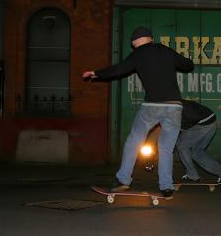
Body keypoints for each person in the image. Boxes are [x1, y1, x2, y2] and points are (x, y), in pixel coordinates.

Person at [82, 26, 194, 199]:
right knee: (166, 148)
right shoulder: (165, 50)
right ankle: (166, 187)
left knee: (134, 140)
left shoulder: (138, 54)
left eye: (133, 45)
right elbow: (187, 65)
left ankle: (123, 179)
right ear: (150, 38)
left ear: (136, 42)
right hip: (175, 106)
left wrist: (97, 73)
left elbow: (119, 69)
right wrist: (185, 60)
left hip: (153, 105)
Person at [176, 99, 221, 183]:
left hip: (203, 125)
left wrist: (182, 128)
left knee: (182, 146)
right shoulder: (177, 103)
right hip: (211, 123)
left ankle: (192, 175)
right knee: (197, 152)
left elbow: (193, 117)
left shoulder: (177, 105)